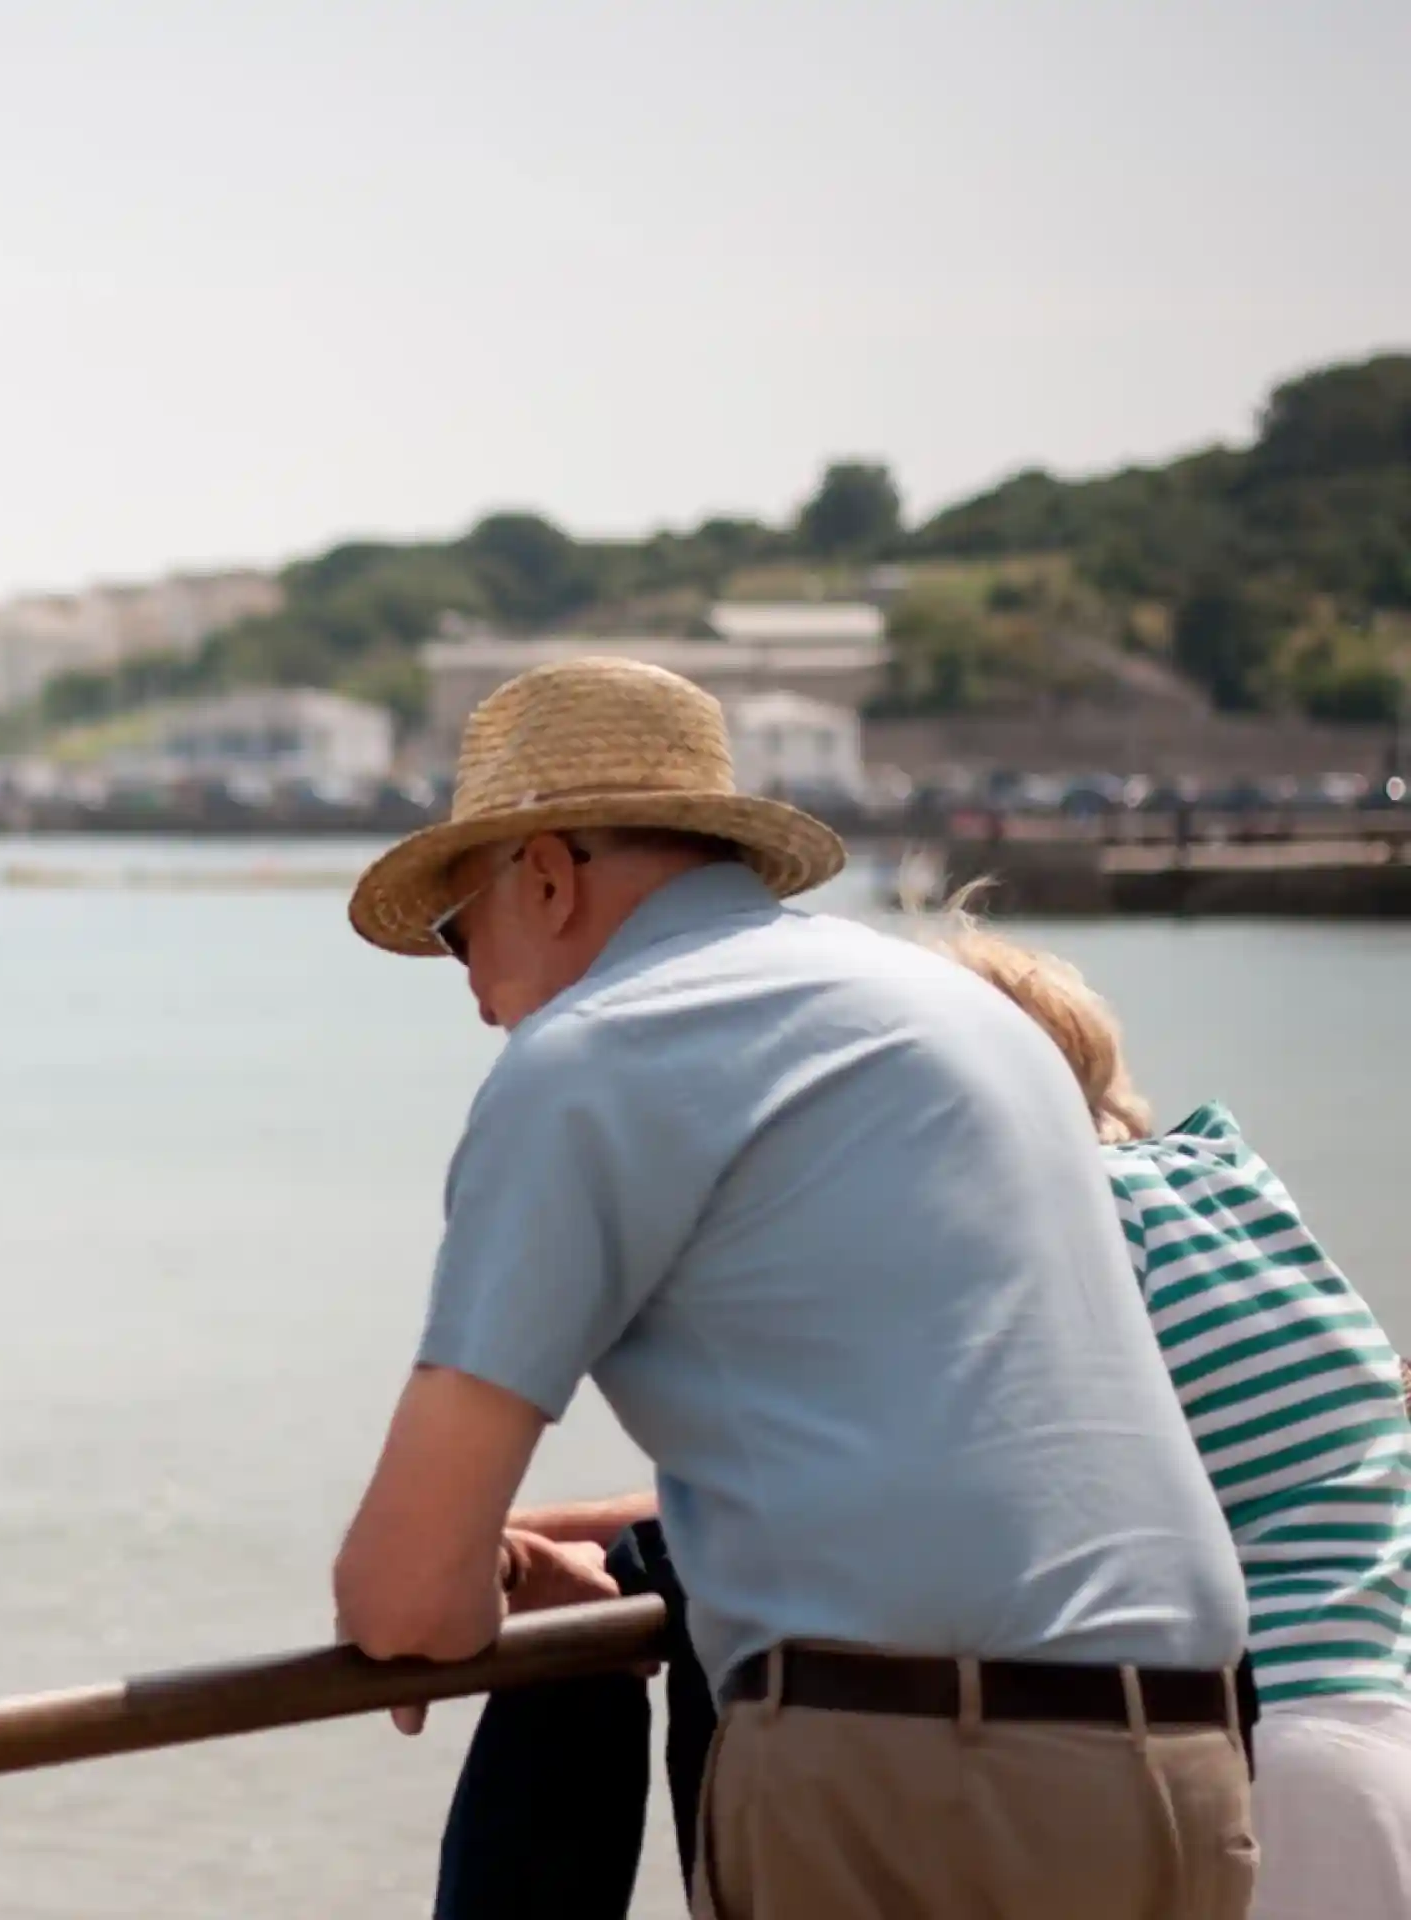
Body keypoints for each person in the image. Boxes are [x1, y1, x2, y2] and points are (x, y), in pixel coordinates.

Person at [328, 655, 1255, 1919]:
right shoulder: (955, 1013)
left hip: (913, 1776)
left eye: (455, 931)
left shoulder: (589, 1057)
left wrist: (510, 1582)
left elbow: (401, 1599)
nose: (473, 987)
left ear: (543, 875)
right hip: (1188, 1761)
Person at [436, 913, 1411, 1920]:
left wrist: (491, 1548)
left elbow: (843, 1483)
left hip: (1260, 1743)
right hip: (1362, 1734)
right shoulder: (1226, 1196)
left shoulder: (1076, 1222)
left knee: (696, 1583)